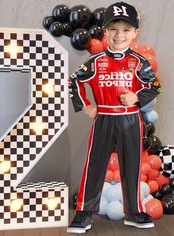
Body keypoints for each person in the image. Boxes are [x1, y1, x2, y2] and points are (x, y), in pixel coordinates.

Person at [67, 1, 162, 234]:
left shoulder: (139, 62)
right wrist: (87, 106)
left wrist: (137, 98)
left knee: (132, 165)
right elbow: (74, 81)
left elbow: (155, 86)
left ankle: (133, 212)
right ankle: (84, 214)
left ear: (135, 33)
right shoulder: (95, 62)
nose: (120, 35)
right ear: (105, 31)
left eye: (126, 30)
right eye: (114, 29)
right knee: (95, 165)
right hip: (105, 119)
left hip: (130, 119)